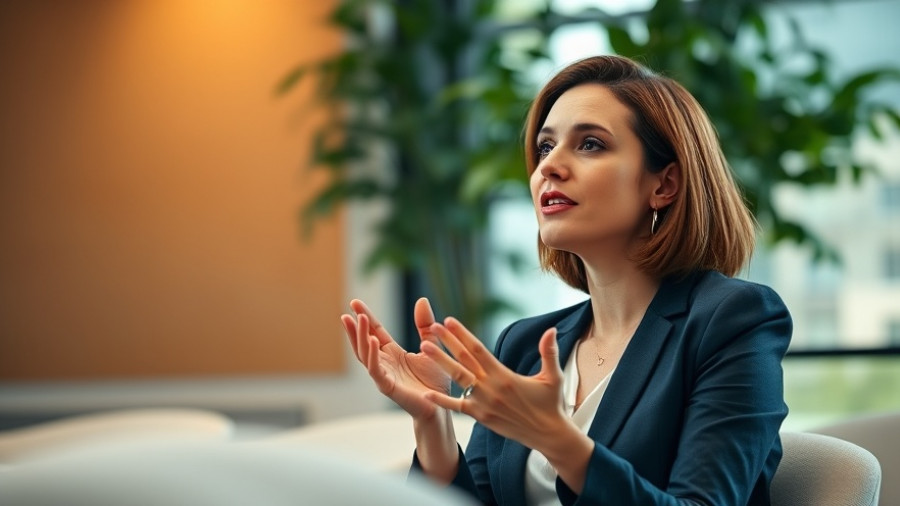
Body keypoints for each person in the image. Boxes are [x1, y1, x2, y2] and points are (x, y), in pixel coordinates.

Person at [340, 55, 792, 506]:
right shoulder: (526, 343)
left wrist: (558, 440)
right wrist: (432, 420)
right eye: (545, 147)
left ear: (664, 184)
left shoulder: (732, 321)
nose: (548, 168)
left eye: (590, 144)